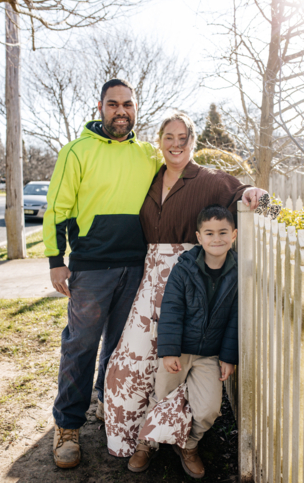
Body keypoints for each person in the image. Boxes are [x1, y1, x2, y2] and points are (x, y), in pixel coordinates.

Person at [104, 112, 266, 469]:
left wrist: (254, 193)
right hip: (151, 281)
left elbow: (239, 193)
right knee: (135, 364)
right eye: (169, 137)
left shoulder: (208, 178)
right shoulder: (150, 177)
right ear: (159, 140)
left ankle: (185, 443)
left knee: (181, 366)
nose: (176, 144)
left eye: (183, 137)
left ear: (193, 141)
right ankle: (143, 439)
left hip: (189, 278)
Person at [43, 78, 162, 469]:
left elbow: (187, 170)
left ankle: (104, 406)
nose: (121, 111)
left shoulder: (148, 154)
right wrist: (55, 260)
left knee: (118, 348)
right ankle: (67, 426)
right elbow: (56, 211)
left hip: (135, 265)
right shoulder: (76, 151)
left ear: (136, 108)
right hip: (91, 267)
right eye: (113, 104)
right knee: (80, 346)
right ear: (100, 106)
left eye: (128, 104)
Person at [149, 204, 238, 479]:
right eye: (209, 233)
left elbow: (236, 318)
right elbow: (172, 310)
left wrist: (228, 356)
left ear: (233, 235)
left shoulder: (238, 273)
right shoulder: (184, 268)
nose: (216, 239)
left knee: (209, 408)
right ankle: (147, 443)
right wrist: (169, 351)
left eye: (223, 232)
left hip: (210, 355)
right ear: (199, 237)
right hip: (179, 350)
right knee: (161, 397)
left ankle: (188, 445)